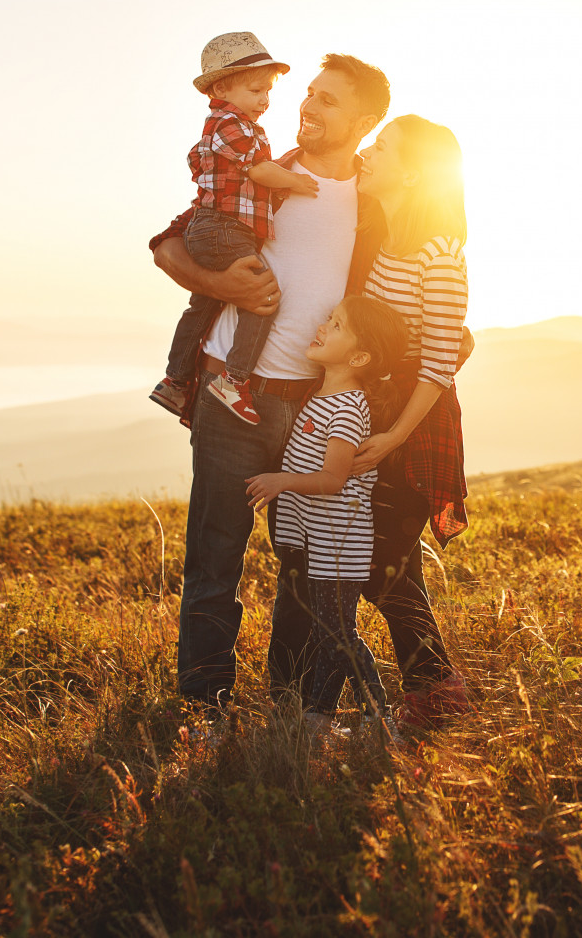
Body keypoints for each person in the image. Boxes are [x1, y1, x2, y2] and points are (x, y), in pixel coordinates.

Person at [150, 53, 392, 715]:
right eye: (308, 94)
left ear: (364, 121)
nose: (309, 107)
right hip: (236, 395)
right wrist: (216, 282)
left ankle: (288, 704)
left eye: (329, 101)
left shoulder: (375, 205)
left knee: (303, 567)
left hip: (314, 409)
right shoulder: (267, 175)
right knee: (215, 559)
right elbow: (170, 243)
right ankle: (205, 706)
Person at [350, 114, 471, 727]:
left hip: (416, 425)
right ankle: (432, 689)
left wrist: (395, 436)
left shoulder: (440, 255)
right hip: (374, 413)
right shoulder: (378, 238)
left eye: (383, 147)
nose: (368, 152)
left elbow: (441, 364)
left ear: (414, 172)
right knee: (390, 562)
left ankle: (437, 692)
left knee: (386, 562)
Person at [245, 295, 408, 739]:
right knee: (328, 632)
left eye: (336, 325)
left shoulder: (346, 407)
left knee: (338, 635)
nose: (322, 326)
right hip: (321, 542)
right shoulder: (321, 395)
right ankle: (319, 719)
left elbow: (333, 480)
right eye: (329, 318)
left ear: (359, 357)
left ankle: (380, 718)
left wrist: (282, 481)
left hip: (340, 544)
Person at [150, 32, 319, 427]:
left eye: (268, 92)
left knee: (203, 304)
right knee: (262, 298)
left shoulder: (224, 124)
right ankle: (234, 379)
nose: (265, 100)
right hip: (224, 229)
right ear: (222, 88)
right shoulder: (231, 125)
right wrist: (295, 181)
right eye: (256, 89)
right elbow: (259, 170)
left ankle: (175, 380)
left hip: (215, 228)